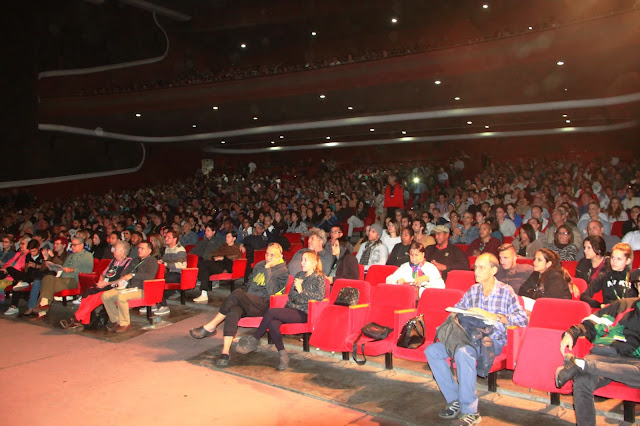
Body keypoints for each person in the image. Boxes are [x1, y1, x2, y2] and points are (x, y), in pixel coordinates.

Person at [426, 253, 528, 426]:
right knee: (432, 351)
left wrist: (494, 316)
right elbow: (458, 308)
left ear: (494, 270)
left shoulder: (505, 291)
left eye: (481, 267)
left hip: (490, 340)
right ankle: (455, 399)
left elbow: (522, 318)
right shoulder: (473, 290)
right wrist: (459, 313)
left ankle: (470, 412)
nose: (476, 271)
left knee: (463, 352)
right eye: (475, 267)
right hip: (468, 337)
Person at [189, 243, 289, 366]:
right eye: (267, 254)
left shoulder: (283, 272)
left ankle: (211, 326)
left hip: (264, 304)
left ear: (281, 256)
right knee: (234, 310)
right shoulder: (259, 265)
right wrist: (244, 295)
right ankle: (225, 353)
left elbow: (272, 291)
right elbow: (248, 284)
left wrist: (268, 269)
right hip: (249, 301)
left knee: (236, 293)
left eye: (272, 255)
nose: (268, 257)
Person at [555, 297, 640, 426]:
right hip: (606, 354)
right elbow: (592, 323)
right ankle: (583, 365)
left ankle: (581, 364)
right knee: (583, 380)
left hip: (633, 363)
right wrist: (571, 333)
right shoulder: (622, 305)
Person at [236, 250, 326, 371]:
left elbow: (319, 297)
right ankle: (283, 356)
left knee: (271, 312)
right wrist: (299, 295)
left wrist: (301, 291)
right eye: (302, 259)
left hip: (305, 312)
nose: (302, 263)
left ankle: (254, 340)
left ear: (314, 263)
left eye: (306, 260)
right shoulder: (299, 275)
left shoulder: (319, 278)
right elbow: (291, 296)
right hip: (291, 309)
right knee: (273, 324)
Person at [58, 240, 133, 329]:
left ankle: (76, 319)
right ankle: (84, 320)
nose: (113, 250)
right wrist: (101, 280)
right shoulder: (113, 261)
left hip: (115, 287)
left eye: (115, 249)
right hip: (105, 284)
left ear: (122, 252)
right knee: (87, 293)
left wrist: (107, 283)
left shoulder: (129, 262)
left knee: (97, 296)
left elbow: (123, 279)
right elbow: (103, 273)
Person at [101, 241, 159, 333]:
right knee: (106, 295)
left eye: (142, 248)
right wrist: (124, 276)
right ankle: (116, 320)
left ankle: (125, 323)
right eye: (139, 248)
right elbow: (125, 271)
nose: (139, 250)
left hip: (142, 289)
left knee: (121, 297)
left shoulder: (152, 261)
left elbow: (150, 276)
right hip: (128, 287)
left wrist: (133, 275)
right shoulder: (135, 260)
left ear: (149, 250)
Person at [32, 237, 94, 318]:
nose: (72, 247)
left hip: (74, 280)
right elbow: (63, 267)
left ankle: (42, 308)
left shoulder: (87, 255)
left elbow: (88, 270)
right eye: (72, 245)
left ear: (82, 245)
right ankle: (44, 306)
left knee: (48, 283)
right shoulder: (71, 255)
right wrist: (54, 267)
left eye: (75, 245)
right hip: (63, 278)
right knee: (47, 278)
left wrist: (73, 269)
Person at [580, 243, 638, 308]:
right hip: (609, 312)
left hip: (629, 313)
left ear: (628, 261)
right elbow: (584, 296)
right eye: (612, 257)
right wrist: (600, 305)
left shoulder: (634, 277)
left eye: (619, 259)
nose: (614, 261)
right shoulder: (604, 275)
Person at [193, 230, 242, 303]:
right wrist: (214, 257)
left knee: (205, 264)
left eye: (229, 237)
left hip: (225, 267)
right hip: (217, 265)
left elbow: (237, 257)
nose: (226, 238)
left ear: (234, 238)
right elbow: (213, 253)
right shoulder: (223, 246)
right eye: (226, 237)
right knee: (205, 268)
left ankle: (198, 278)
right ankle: (204, 294)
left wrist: (222, 257)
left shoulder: (236, 248)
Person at [3, 240, 48, 315]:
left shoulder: (43, 255)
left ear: (38, 248)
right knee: (9, 269)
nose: (32, 253)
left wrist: (36, 266)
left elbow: (47, 268)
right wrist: (26, 267)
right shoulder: (28, 256)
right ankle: (22, 281)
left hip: (38, 276)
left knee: (18, 282)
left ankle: (29, 307)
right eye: (30, 251)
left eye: (34, 251)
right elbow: (26, 270)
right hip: (28, 275)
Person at [154, 229, 187, 315]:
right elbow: (163, 260)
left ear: (175, 239)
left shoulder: (180, 249)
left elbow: (181, 265)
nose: (166, 239)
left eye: (169, 237)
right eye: (166, 237)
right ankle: (155, 302)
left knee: (158, 281)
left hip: (178, 274)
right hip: (170, 273)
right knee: (154, 279)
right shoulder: (167, 249)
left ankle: (164, 306)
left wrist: (165, 264)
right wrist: (160, 262)